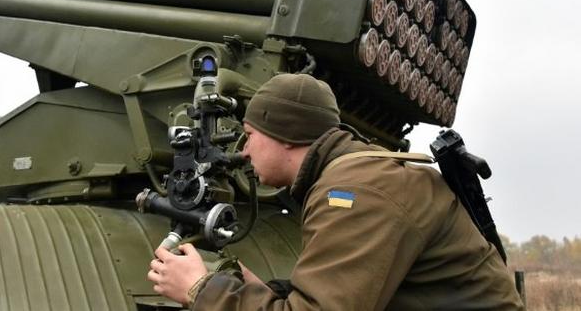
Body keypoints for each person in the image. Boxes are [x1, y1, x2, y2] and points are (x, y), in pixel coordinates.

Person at [147, 73, 523, 310]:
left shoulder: (354, 191)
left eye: (250, 135)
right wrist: (273, 292)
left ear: (287, 136)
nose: (243, 150)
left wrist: (201, 289)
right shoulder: (360, 174)